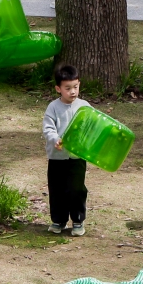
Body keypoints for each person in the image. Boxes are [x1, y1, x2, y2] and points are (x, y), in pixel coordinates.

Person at [42, 65, 90, 237]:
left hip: (77, 157)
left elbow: (90, 127)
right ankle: (58, 220)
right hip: (57, 157)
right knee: (57, 189)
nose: (72, 91)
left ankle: (78, 220)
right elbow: (48, 128)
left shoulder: (84, 107)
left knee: (77, 189)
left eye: (75, 87)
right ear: (58, 89)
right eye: (68, 88)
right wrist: (55, 139)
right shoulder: (53, 107)